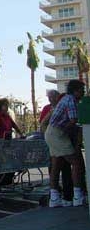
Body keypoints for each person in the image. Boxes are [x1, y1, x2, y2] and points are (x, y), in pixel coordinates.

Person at [45, 79, 86, 207]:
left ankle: (54, 198)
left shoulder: (65, 99)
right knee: (76, 163)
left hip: (50, 132)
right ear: (75, 90)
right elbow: (73, 120)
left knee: (56, 165)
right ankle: (78, 196)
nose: (83, 92)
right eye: (81, 90)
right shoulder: (71, 100)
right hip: (57, 133)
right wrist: (64, 133)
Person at [0, 98, 24, 186]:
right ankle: (1, 183)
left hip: (8, 142)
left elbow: (14, 125)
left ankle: (8, 181)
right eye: (5, 105)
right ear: (0, 106)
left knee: (10, 163)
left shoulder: (7, 115)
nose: (7, 107)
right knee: (2, 164)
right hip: (0, 143)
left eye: (7, 105)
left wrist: (21, 133)